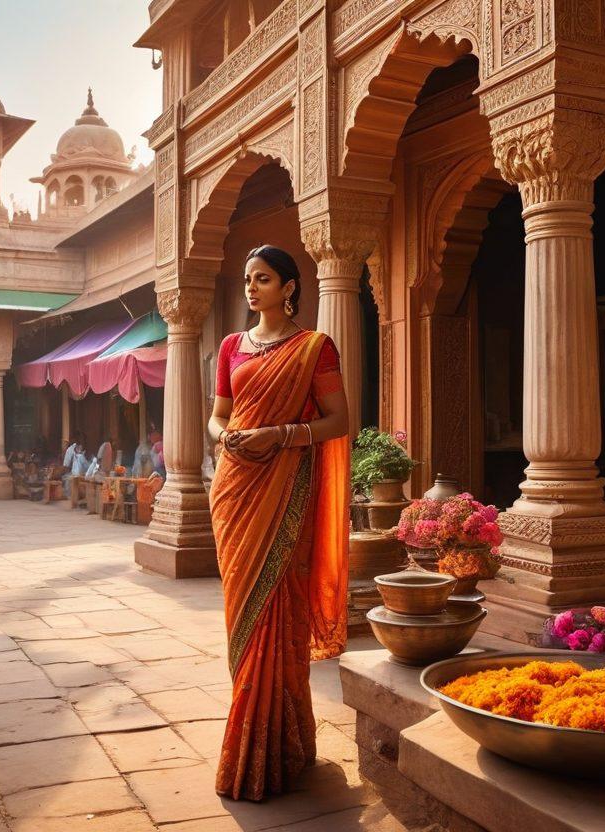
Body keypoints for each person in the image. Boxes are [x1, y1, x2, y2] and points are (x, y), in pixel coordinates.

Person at [206, 245, 349, 801]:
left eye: (261, 279)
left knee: (277, 609)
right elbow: (218, 414)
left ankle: (277, 742)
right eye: (246, 280)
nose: (250, 288)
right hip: (235, 491)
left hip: (285, 489)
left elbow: (340, 421)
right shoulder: (229, 347)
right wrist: (227, 437)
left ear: (289, 287)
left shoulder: (314, 348)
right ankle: (263, 731)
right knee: (243, 614)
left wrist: (280, 436)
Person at [61, 433, 87, 497]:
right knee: (70, 480)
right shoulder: (70, 450)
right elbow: (66, 466)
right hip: (73, 475)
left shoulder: (85, 449)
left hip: (84, 475)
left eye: (83, 441)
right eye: (79, 440)